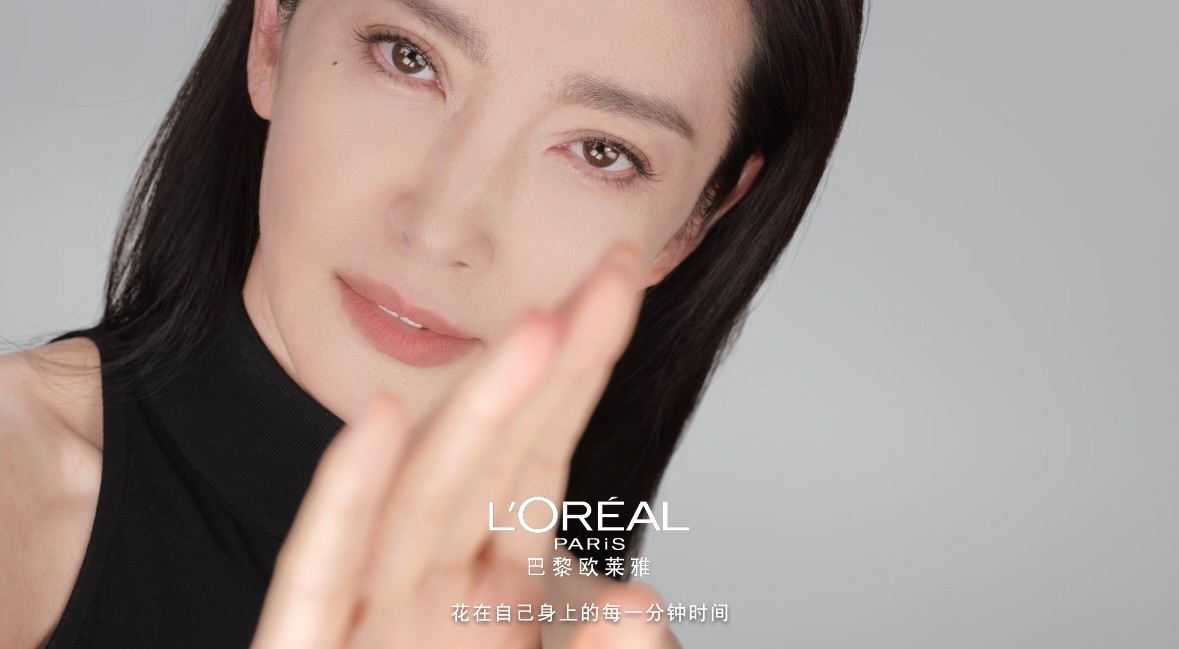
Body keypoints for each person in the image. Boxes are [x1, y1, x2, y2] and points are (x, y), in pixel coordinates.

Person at [0, 0, 866, 646]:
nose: (441, 226)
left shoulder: (602, 634)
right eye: (407, 57)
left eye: (600, 151)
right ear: (272, 31)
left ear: (694, 220)